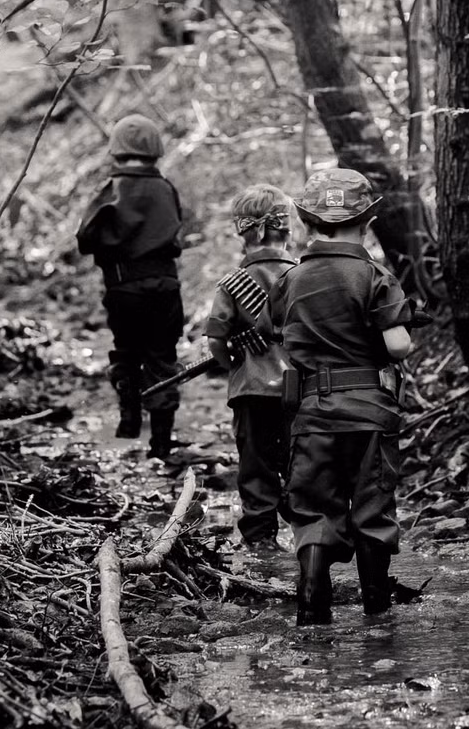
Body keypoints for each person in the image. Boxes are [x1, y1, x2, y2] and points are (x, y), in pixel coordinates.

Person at [264, 168, 414, 626]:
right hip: (369, 411)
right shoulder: (374, 275)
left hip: (312, 413)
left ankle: (311, 606)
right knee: (371, 507)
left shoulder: (291, 280)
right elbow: (398, 346)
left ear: (308, 224)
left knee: (311, 510)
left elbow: (275, 332)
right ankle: (377, 615)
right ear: (366, 221)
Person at [76, 114, 184, 459]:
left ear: (116, 152)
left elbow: (85, 237)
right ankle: (162, 443)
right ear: (155, 150)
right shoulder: (166, 188)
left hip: (124, 288)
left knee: (127, 353)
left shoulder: (110, 190)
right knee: (163, 357)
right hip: (166, 287)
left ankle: (129, 422)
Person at [203, 184, 297, 552]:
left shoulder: (232, 283)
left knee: (256, 465)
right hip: (299, 388)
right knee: (298, 459)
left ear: (243, 233)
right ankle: (307, 528)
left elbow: (215, 341)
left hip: (251, 391)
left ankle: (261, 540)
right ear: (288, 230)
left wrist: (235, 364)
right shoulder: (303, 276)